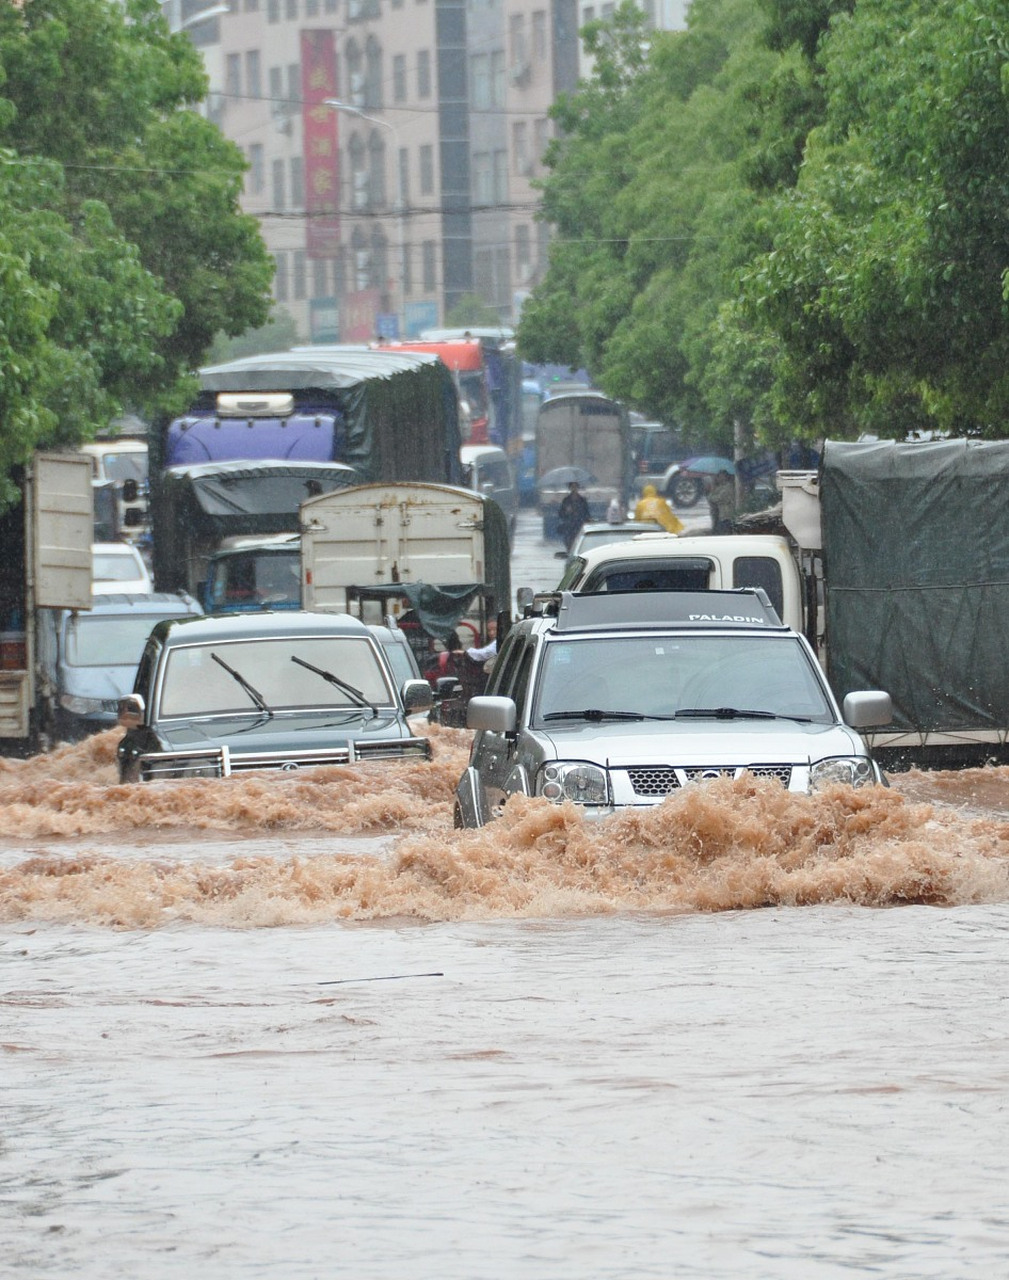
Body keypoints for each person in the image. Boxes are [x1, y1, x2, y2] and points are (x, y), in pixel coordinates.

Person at [557, 480, 590, 551]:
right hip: (569, 528)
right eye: (572, 486)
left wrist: (583, 519)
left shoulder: (582, 500)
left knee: (579, 547)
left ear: (578, 488)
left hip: (579, 527)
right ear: (570, 488)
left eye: (575, 486)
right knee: (569, 547)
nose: (574, 488)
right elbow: (561, 514)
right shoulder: (566, 500)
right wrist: (566, 511)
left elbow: (587, 514)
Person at [707, 469, 737, 533]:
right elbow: (710, 497)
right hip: (721, 515)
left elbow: (718, 498)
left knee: (725, 530)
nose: (718, 478)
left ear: (725, 477)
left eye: (720, 476)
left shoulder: (728, 487)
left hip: (727, 515)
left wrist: (712, 496)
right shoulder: (720, 487)